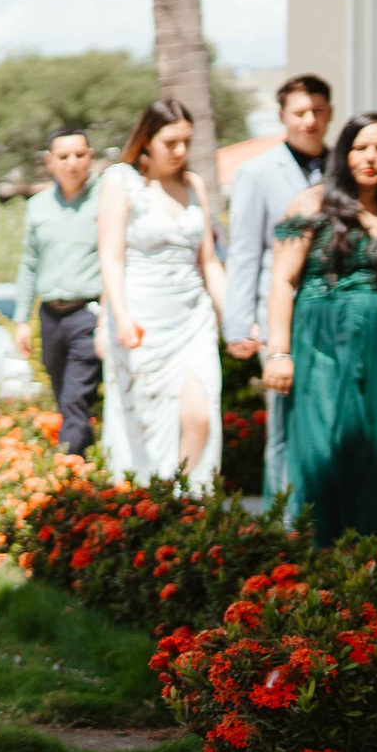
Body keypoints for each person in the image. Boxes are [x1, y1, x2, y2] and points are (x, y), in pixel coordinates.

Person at [263, 112, 377, 541]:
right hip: (319, 338)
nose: (371, 157)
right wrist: (279, 352)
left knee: (373, 449)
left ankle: (365, 563)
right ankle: (313, 559)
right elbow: (283, 279)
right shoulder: (311, 203)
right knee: (321, 448)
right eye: (362, 147)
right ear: (344, 152)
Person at [96, 98, 227, 490]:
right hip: (140, 320)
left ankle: (188, 504)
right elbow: (111, 256)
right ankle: (146, 510)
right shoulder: (121, 181)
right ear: (147, 140)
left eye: (186, 141)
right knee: (143, 428)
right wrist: (120, 318)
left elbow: (210, 262)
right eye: (171, 142)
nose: (180, 151)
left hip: (193, 320)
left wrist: (236, 320)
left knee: (200, 417)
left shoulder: (193, 185)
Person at [222, 74, 335, 508]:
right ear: (282, 116)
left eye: (318, 111)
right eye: (300, 112)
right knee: (285, 428)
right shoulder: (257, 172)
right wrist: (239, 323)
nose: (310, 120)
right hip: (279, 313)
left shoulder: (342, 168)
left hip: (331, 313)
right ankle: (285, 522)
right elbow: (246, 250)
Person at [12, 129, 104, 456]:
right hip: (50, 316)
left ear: (90, 156)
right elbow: (29, 263)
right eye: (64, 157)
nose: (73, 163)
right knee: (65, 398)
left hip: (89, 313)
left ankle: (66, 475)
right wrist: (21, 320)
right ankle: (87, 472)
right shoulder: (38, 206)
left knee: (76, 398)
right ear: (50, 161)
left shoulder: (106, 199)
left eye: (80, 155)